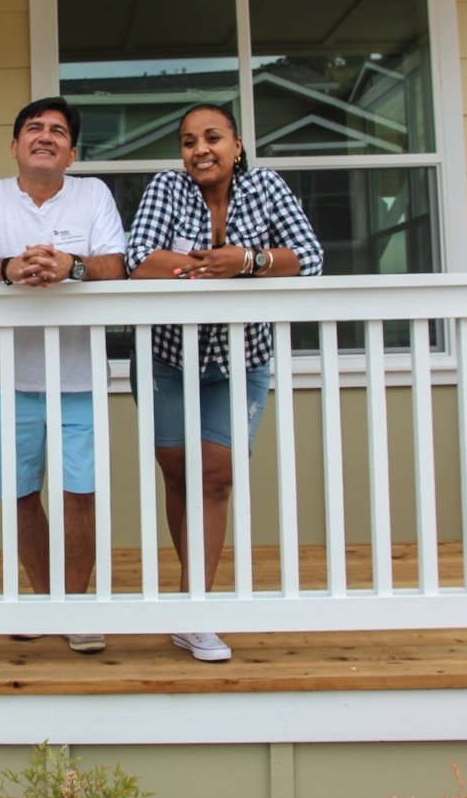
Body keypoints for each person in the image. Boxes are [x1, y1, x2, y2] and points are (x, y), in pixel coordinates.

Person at [125, 103, 323, 661]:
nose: (200, 150)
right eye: (189, 141)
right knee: (178, 474)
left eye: (212, 137)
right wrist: (211, 266)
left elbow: (308, 255)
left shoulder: (267, 187)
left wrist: (250, 260)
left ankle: (196, 609)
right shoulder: (166, 187)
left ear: (237, 145)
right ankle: (194, 600)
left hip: (241, 358)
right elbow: (140, 258)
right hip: (167, 355)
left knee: (215, 477)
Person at [0, 96, 126, 653]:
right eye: (33, 128)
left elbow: (115, 267)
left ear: (72, 151)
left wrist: (69, 267)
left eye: (58, 131)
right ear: (15, 145)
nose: (45, 136)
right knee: (21, 492)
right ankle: (45, 601)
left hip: (79, 375)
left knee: (80, 493)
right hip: (5, 374)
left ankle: (76, 606)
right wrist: (8, 268)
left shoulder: (92, 194)